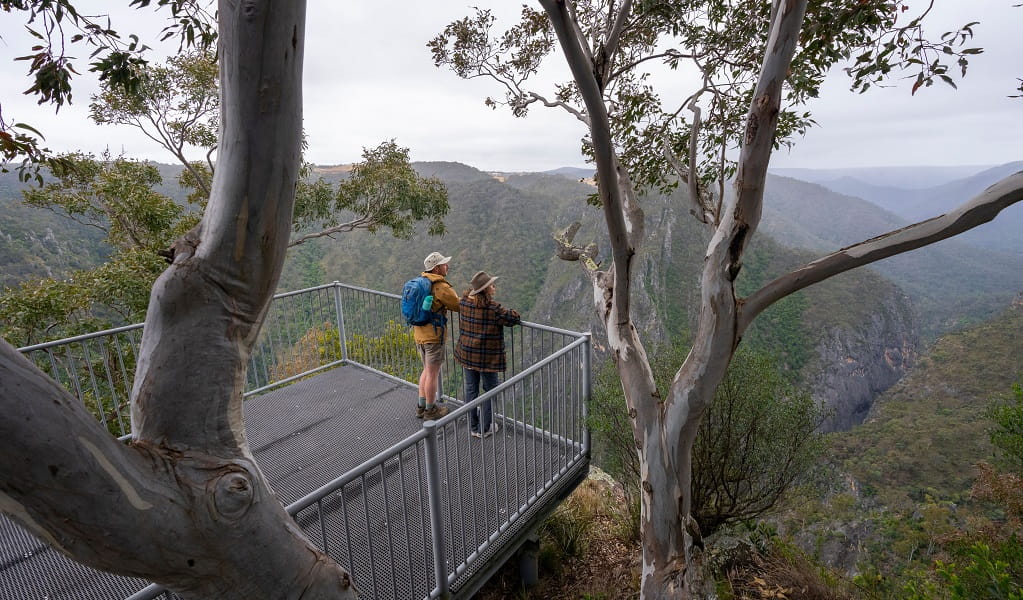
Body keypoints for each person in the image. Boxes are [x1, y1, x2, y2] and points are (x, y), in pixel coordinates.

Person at [454, 270, 521, 438]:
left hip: (467, 353)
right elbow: (514, 318)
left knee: (471, 390)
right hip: (486, 358)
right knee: (490, 390)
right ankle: (485, 428)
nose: (494, 287)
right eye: (491, 285)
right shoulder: (493, 309)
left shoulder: (464, 303)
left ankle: (474, 427)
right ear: (484, 290)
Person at [414, 251, 460, 420]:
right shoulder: (440, 286)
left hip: (419, 334)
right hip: (433, 337)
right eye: (444, 264)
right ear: (437, 268)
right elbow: (457, 305)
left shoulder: (421, 282)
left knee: (426, 370)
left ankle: (421, 406)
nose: (447, 266)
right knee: (433, 373)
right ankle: (431, 410)